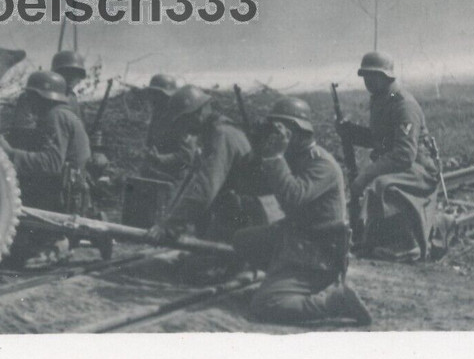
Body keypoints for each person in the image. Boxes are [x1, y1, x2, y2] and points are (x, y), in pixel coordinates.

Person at [232, 97, 372, 326]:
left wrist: (275, 157)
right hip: (297, 237)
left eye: (281, 129)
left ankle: (334, 301)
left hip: (319, 252)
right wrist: (260, 152)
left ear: (297, 132)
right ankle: (284, 281)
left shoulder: (321, 164)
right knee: (243, 240)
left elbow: (292, 197)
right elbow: (252, 186)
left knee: (265, 305)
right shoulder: (294, 157)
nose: (276, 136)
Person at [336, 51, 455, 261]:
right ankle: (375, 240)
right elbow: (380, 140)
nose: (367, 81)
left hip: (421, 167)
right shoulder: (381, 99)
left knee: (380, 184)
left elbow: (404, 154)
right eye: (364, 76)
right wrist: (351, 132)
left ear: (386, 77)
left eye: (373, 76)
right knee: (374, 182)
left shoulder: (403, 105)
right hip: (406, 163)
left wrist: (366, 175)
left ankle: (406, 246)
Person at [0, 71, 98, 265]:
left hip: (63, 194)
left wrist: (9, 153)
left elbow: (50, 164)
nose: (28, 101)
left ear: (42, 97)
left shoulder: (55, 117)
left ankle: (54, 243)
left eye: (32, 96)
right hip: (68, 189)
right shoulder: (62, 114)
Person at [146, 85, 256, 244]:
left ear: (197, 113)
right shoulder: (215, 133)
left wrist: (171, 225)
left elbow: (205, 188)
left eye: (184, 121)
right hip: (241, 215)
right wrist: (168, 220)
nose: (184, 128)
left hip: (247, 220)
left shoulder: (221, 135)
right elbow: (192, 181)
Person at [139, 74, 197, 181]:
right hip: (155, 174)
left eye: (159, 95)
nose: (154, 99)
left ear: (169, 97)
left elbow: (187, 156)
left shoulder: (180, 119)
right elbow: (150, 145)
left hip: (175, 179)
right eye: (153, 94)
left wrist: (161, 159)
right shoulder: (156, 116)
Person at [50, 50, 87, 117]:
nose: (71, 78)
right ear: (56, 74)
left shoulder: (72, 98)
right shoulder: (46, 96)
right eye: (67, 73)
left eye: (75, 74)